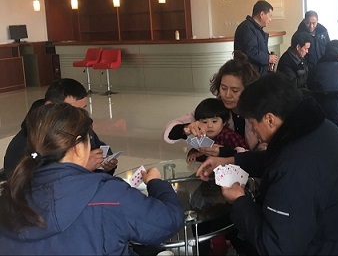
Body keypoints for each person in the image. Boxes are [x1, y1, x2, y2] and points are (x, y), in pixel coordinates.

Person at [196, 73, 338, 255]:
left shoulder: (296, 168)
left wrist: (239, 200)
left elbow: (276, 248)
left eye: (252, 123)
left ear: (269, 120)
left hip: (325, 247)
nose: (253, 129)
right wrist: (232, 160)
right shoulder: (316, 129)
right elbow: (276, 159)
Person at [0, 103, 183, 255]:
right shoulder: (109, 195)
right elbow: (169, 220)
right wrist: (156, 183)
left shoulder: (10, 196)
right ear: (79, 147)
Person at [3, 78, 116, 179]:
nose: (80, 116)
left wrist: (104, 164)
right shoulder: (25, 143)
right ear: (49, 106)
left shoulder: (80, 126)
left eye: (83, 109)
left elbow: (99, 148)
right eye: (72, 110)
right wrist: (81, 168)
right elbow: (29, 186)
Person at [164, 51, 263, 151]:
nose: (227, 95)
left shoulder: (259, 111)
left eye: (235, 90)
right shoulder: (215, 108)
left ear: (248, 90)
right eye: (223, 88)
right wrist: (186, 128)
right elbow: (169, 132)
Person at [185, 98, 248, 163]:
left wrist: (224, 152)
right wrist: (194, 153)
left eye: (214, 121)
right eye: (204, 122)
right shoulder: (201, 136)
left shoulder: (229, 136)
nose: (210, 126)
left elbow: (246, 155)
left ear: (224, 122)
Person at [234, 0, 278, 75]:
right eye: (270, 16)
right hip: (250, 74)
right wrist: (268, 58)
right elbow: (251, 51)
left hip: (257, 73)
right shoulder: (247, 28)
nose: (270, 20)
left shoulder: (255, 28)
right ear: (262, 14)